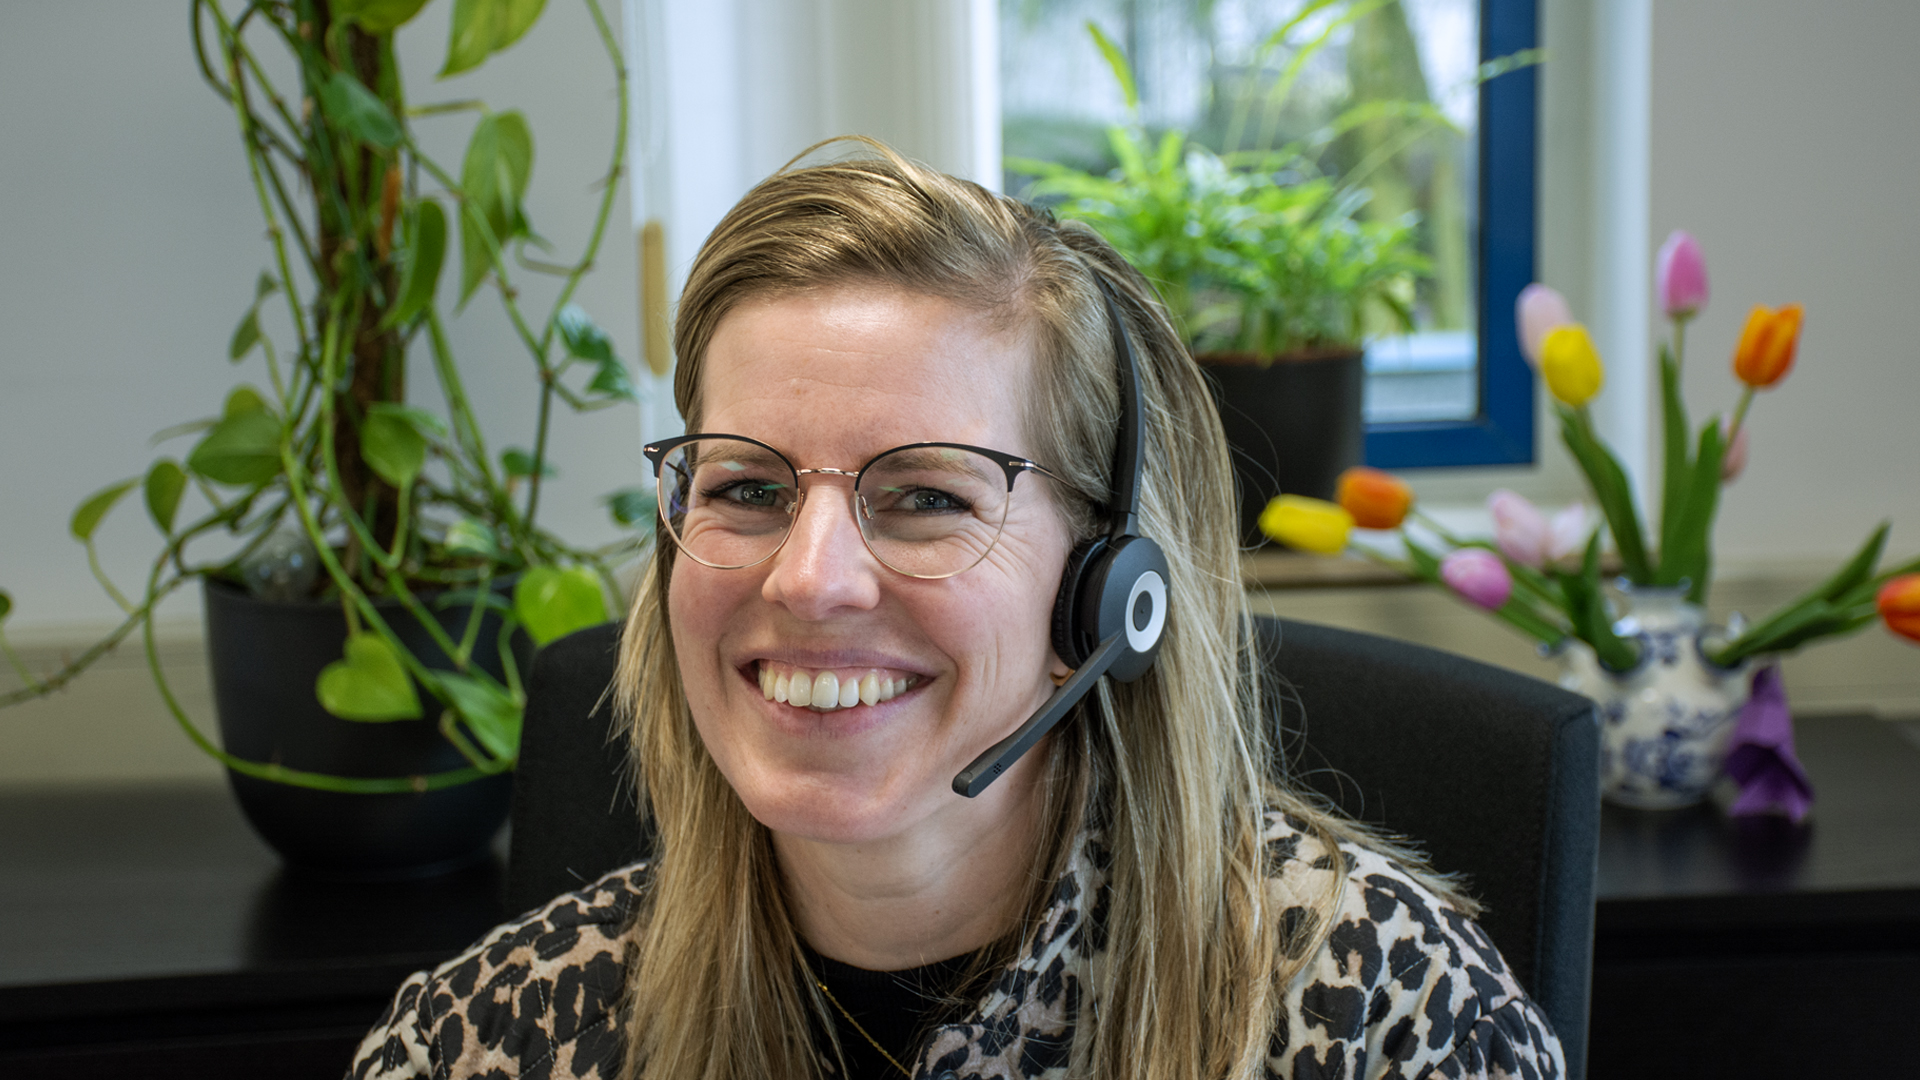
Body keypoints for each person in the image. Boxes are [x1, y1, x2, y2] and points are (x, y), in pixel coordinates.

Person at [348, 140, 1565, 1080]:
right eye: (747, 489)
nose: (811, 578)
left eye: (926, 496)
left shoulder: (1380, 1019)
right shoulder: (489, 1040)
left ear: (1107, 591)